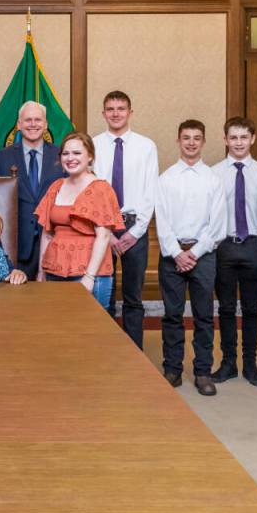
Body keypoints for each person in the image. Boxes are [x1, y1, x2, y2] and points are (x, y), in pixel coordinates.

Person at [155, 120, 226, 396]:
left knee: (204, 316)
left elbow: (217, 225)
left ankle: (202, 371)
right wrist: (177, 253)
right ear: (178, 141)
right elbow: (161, 222)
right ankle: (172, 368)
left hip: (203, 255)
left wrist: (193, 254)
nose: (192, 143)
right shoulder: (166, 179)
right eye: (186, 138)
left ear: (204, 142)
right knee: (172, 315)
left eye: (197, 138)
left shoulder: (213, 180)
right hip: (172, 256)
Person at [92, 91, 158, 347]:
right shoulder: (93, 145)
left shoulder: (146, 146)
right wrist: (105, 233)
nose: (116, 113)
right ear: (103, 113)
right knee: (104, 295)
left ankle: (134, 352)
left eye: (121, 108)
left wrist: (135, 232)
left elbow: (150, 192)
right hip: (102, 228)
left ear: (130, 112)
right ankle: (105, 350)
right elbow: (92, 192)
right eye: (110, 109)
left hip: (134, 227)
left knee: (133, 297)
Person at [210, 117, 257, 387]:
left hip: (253, 246)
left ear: (252, 139)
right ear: (225, 140)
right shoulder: (213, 174)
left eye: (243, 137)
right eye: (233, 138)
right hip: (224, 246)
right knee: (225, 308)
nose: (238, 143)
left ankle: (250, 363)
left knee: (250, 308)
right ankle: (228, 363)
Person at [35, 132, 124, 310]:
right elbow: (47, 233)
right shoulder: (56, 186)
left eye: (77, 153)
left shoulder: (101, 189)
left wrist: (89, 277)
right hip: (54, 270)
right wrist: (41, 271)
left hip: (90, 274)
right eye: (66, 154)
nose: (70, 158)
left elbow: (104, 237)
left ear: (90, 156)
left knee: (91, 331)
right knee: (57, 329)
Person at [0, 101, 66, 280]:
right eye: (28, 120)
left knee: (50, 302)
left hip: (53, 242)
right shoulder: (1, 157)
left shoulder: (62, 156)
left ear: (46, 124)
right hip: (15, 245)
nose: (33, 124)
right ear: (18, 124)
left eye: (38, 120)